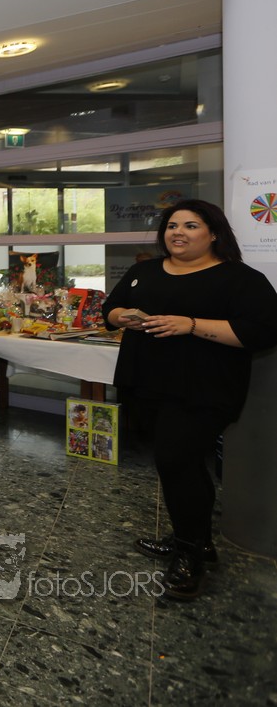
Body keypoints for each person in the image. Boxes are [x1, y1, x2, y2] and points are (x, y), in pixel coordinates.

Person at [102, 199, 277, 601]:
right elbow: (110, 309)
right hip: (146, 384)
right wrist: (123, 317)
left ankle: (189, 555)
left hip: (204, 390)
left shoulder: (240, 279)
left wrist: (192, 325)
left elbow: (262, 332)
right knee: (183, 466)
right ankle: (197, 540)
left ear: (213, 233)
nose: (178, 232)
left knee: (175, 461)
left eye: (191, 225)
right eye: (172, 225)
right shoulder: (144, 271)